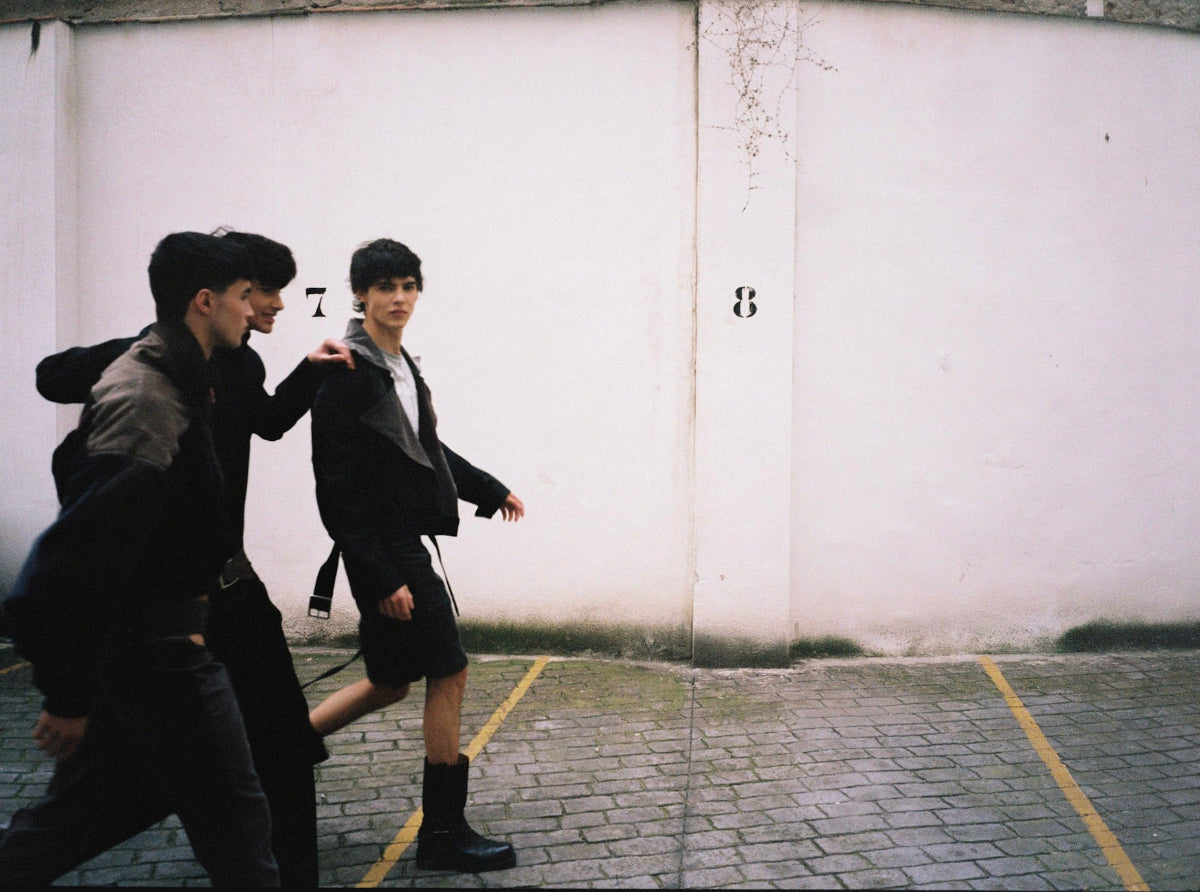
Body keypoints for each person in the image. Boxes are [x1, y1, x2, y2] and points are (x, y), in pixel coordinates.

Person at [29, 229, 351, 887]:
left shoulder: (241, 366)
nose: (276, 304)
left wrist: (310, 370)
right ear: (213, 298)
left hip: (226, 590)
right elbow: (51, 375)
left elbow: (265, 421)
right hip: (165, 613)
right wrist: (145, 352)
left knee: (276, 754)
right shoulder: (155, 374)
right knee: (117, 786)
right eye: (262, 291)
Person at [307, 238, 524, 873]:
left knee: (389, 681)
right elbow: (335, 488)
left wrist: (489, 489)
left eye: (407, 286)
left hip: (397, 542)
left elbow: (427, 449)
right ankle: (443, 833)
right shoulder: (346, 373)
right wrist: (380, 576)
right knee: (449, 670)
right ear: (361, 295)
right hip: (385, 548)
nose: (398, 298)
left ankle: (273, 751)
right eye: (385, 288)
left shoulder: (401, 366)